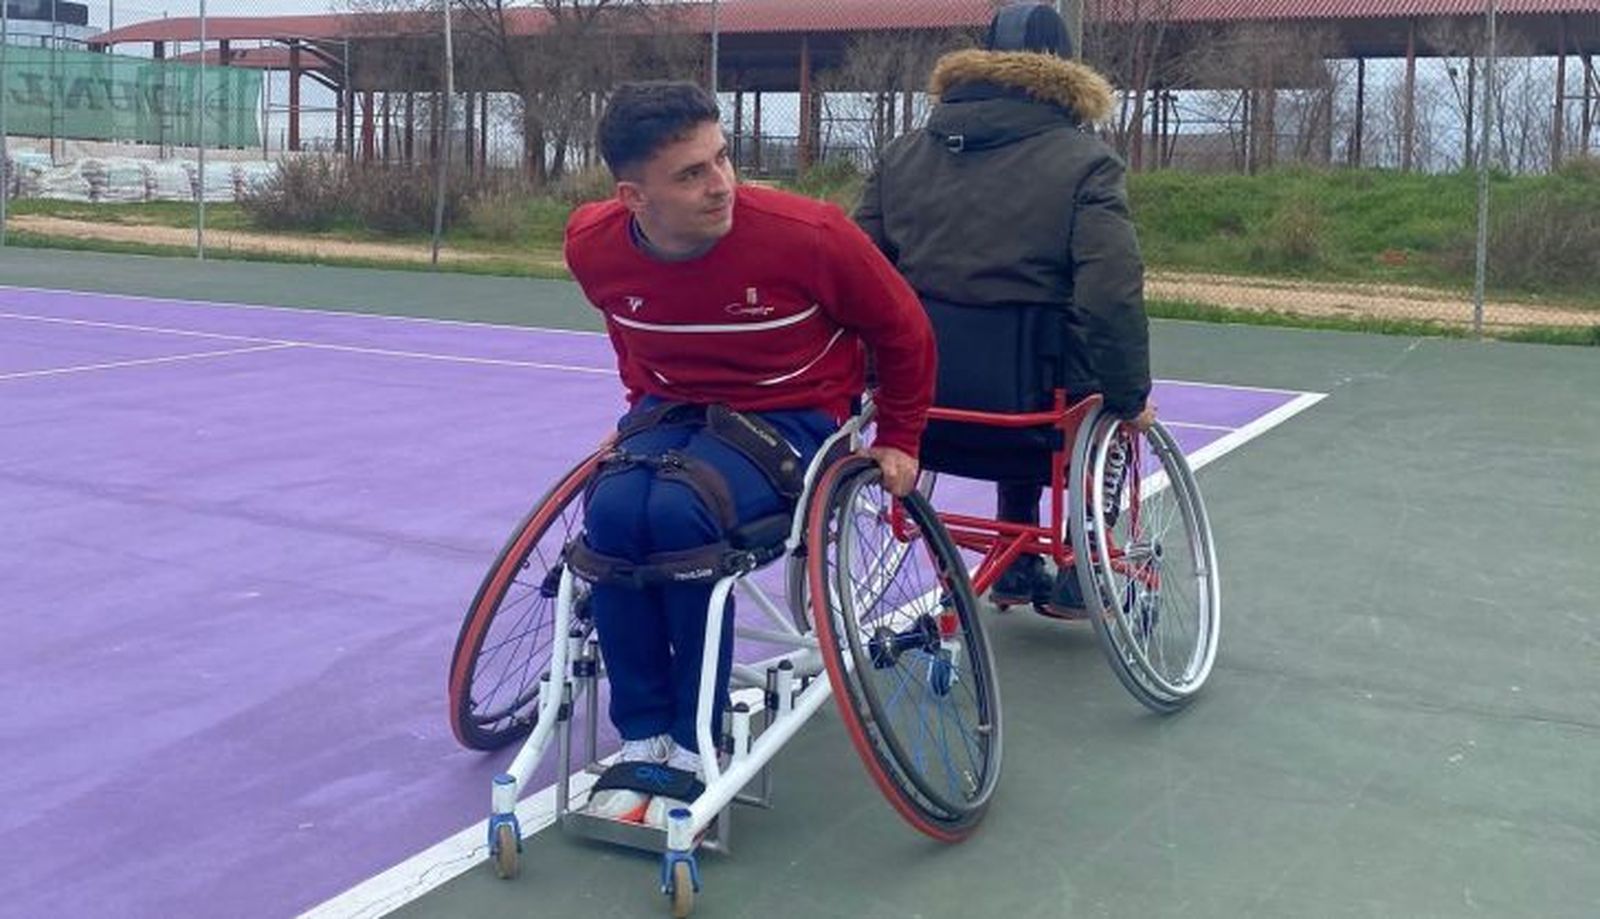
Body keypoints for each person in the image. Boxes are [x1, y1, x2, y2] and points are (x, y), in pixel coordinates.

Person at [563, 81, 936, 826]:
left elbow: (905, 331)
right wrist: (637, 408)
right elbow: (627, 323)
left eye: (723, 158)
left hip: (790, 415)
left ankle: (698, 738)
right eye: (692, 174)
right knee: (607, 510)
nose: (721, 184)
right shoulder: (591, 244)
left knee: (678, 511)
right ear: (634, 196)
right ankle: (644, 734)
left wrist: (900, 436)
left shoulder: (811, 235)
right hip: (673, 413)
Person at [855, 2, 1155, 619]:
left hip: (920, 401)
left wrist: (865, 375)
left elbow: (861, 275)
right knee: (1091, 397)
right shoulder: (1086, 162)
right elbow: (1111, 293)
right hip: (1033, 402)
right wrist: (1129, 396)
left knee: (1019, 368)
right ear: (1068, 71)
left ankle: (1015, 560)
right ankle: (1083, 558)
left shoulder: (902, 155)